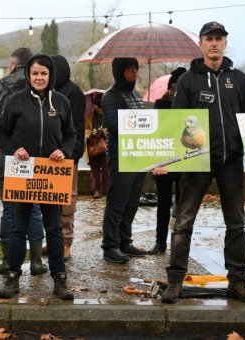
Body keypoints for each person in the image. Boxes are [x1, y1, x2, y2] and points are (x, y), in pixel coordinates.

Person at [161, 22, 245, 304]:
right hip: (196, 162)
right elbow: (174, 125)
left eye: (219, 38)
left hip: (231, 163)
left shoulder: (239, 80)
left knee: (236, 223)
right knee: (182, 222)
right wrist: (163, 161)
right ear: (202, 44)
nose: (214, 43)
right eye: (209, 39)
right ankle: (175, 281)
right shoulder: (188, 81)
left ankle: (238, 283)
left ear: (225, 43)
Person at [0, 53, 76, 300]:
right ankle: (12, 278)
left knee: (53, 228)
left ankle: (60, 280)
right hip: (23, 173)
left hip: (51, 174)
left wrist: (64, 150)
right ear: (28, 75)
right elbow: (0, 132)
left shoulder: (61, 102)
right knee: (19, 227)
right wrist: (13, 149)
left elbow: (72, 134)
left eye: (43, 73)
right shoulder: (15, 101)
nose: (39, 78)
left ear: (50, 76)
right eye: (35, 73)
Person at [0, 47, 47, 275]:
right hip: (35, 159)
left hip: (7, 159)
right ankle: (37, 262)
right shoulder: (41, 87)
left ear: (12, 65)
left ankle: (8, 261)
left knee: (9, 210)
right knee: (35, 208)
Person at [100, 57, 149, 264]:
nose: (135, 74)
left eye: (137, 70)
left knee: (132, 203)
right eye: (131, 70)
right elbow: (112, 123)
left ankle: (124, 240)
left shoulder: (135, 95)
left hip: (139, 156)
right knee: (117, 202)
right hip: (121, 156)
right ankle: (110, 245)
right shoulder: (111, 96)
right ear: (120, 72)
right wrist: (139, 125)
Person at [148, 67, 186, 255]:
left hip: (186, 159)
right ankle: (160, 242)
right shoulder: (160, 104)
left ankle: (178, 241)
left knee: (182, 203)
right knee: (163, 202)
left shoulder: (191, 105)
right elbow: (156, 130)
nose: (175, 91)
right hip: (164, 159)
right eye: (174, 88)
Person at [51, 54, 85, 261]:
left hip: (66, 156)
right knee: (50, 200)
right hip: (48, 156)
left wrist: (71, 154)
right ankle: (54, 240)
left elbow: (77, 128)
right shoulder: (46, 92)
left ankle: (66, 241)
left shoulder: (73, 93)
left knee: (66, 201)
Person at [85, 93, 108, 199]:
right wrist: (91, 133)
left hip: (105, 146)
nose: (96, 107)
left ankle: (106, 190)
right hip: (92, 146)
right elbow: (85, 130)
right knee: (94, 170)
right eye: (95, 105)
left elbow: (112, 129)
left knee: (106, 169)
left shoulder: (108, 115)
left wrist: (102, 132)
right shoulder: (90, 117)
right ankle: (97, 190)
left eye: (98, 105)